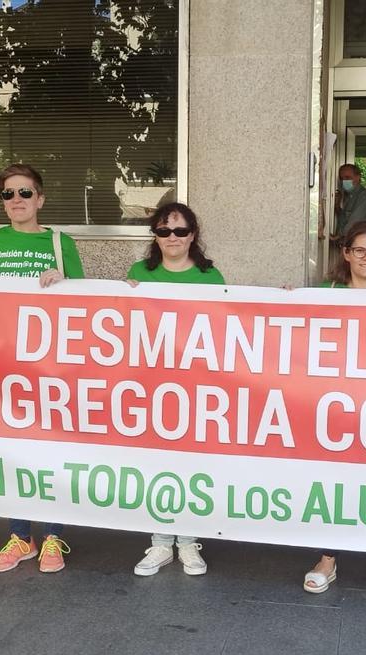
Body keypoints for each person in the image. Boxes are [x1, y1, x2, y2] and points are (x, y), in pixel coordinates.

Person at [0, 163, 84, 574]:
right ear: (2, 202)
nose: (17, 200)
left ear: (40, 199)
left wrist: (64, 281)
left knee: (51, 449)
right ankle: (21, 535)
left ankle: (54, 535)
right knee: (11, 450)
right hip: (3, 365)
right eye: (8, 194)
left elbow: (86, 301)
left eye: (25, 193)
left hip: (50, 364)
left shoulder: (59, 242)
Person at [302, 220, 366, 598]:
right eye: (359, 250)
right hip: (334, 406)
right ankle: (327, 559)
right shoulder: (322, 294)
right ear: (345, 253)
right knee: (334, 482)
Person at [124, 202, 225, 577]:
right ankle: (161, 542)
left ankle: (189, 541)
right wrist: (124, 295)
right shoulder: (139, 274)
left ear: (192, 236)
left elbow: (228, 327)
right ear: (155, 235)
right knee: (157, 465)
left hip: (195, 386)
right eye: (164, 231)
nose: (172, 238)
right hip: (151, 386)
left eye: (180, 231)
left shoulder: (210, 276)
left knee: (191, 464)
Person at [332, 163, 366, 242]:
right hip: (348, 242)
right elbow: (344, 218)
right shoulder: (350, 196)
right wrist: (337, 207)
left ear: (358, 177)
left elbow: (354, 221)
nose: (344, 181)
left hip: (357, 243)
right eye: (342, 178)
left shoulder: (363, 196)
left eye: (347, 177)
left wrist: (338, 236)